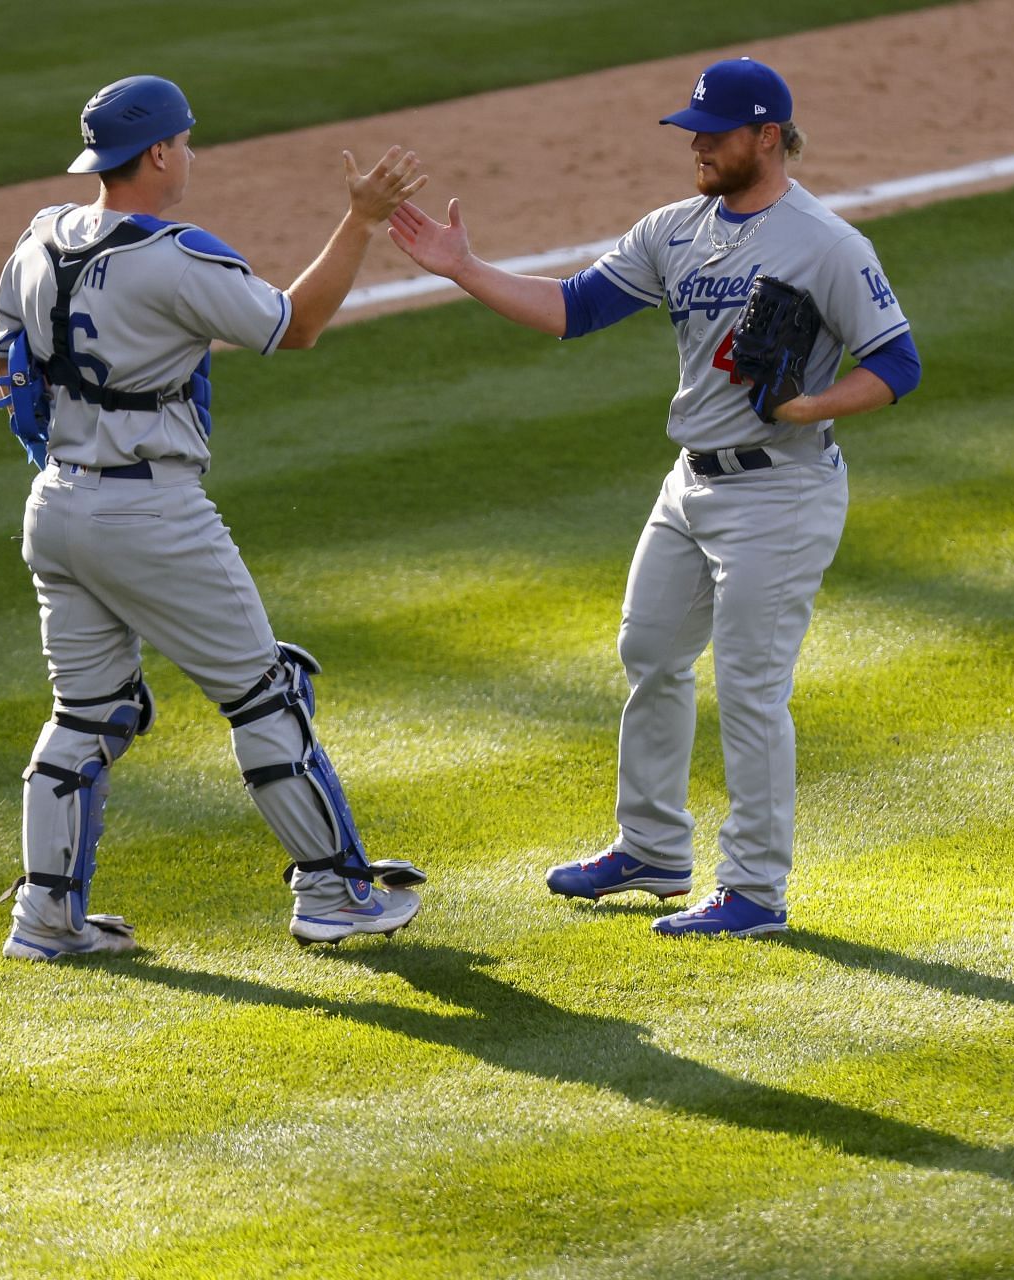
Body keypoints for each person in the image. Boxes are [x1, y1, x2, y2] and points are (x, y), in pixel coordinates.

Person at [388, 57, 922, 937]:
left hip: (780, 491)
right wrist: (464, 268)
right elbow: (573, 309)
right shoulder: (674, 229)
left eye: (713, 133)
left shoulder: (827, 243)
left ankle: (754, 891)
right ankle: (651, 848)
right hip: (690, 485)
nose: (698, 145)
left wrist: (809, 405)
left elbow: (898, 363)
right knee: (650, 652)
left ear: (765, 137)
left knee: (751, 690)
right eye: (693, 132)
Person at [0, 75, 432, 960]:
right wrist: (361, 220)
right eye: (185, 142)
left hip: (55, 505)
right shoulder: (172, 257)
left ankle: (45, 918)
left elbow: (10, 378)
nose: (191, 155)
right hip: (150, 512)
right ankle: (333, 895)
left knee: (87, 715)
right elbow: (292, 326)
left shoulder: (37, 240)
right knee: (266, 691)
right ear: (156, 153)